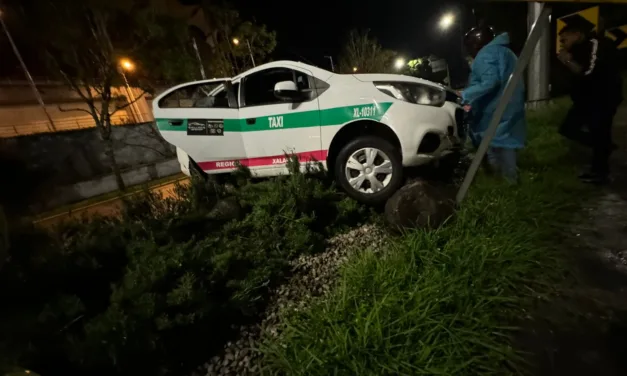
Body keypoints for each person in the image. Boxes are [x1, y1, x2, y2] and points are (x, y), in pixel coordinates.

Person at [557, 24, 623, 185]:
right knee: (568, 128)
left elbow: (587, 72)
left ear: (577, 34)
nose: (562, 44)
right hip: (586, 99)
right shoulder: (579, 49)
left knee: (600, 131)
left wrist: (567, 61)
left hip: (603, 98)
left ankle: (600, 172)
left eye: (564, 39)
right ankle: (603, 148)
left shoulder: (595, 44)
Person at [461, 26, 527, 183]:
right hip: (510, 105)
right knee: (505, 143)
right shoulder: (506, 52)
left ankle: (501, 184)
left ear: (475, 44)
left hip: (494, 108)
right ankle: (510, 182)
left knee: (493, 144)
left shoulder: (486, 54)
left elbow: (490, 82)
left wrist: (465, 95)